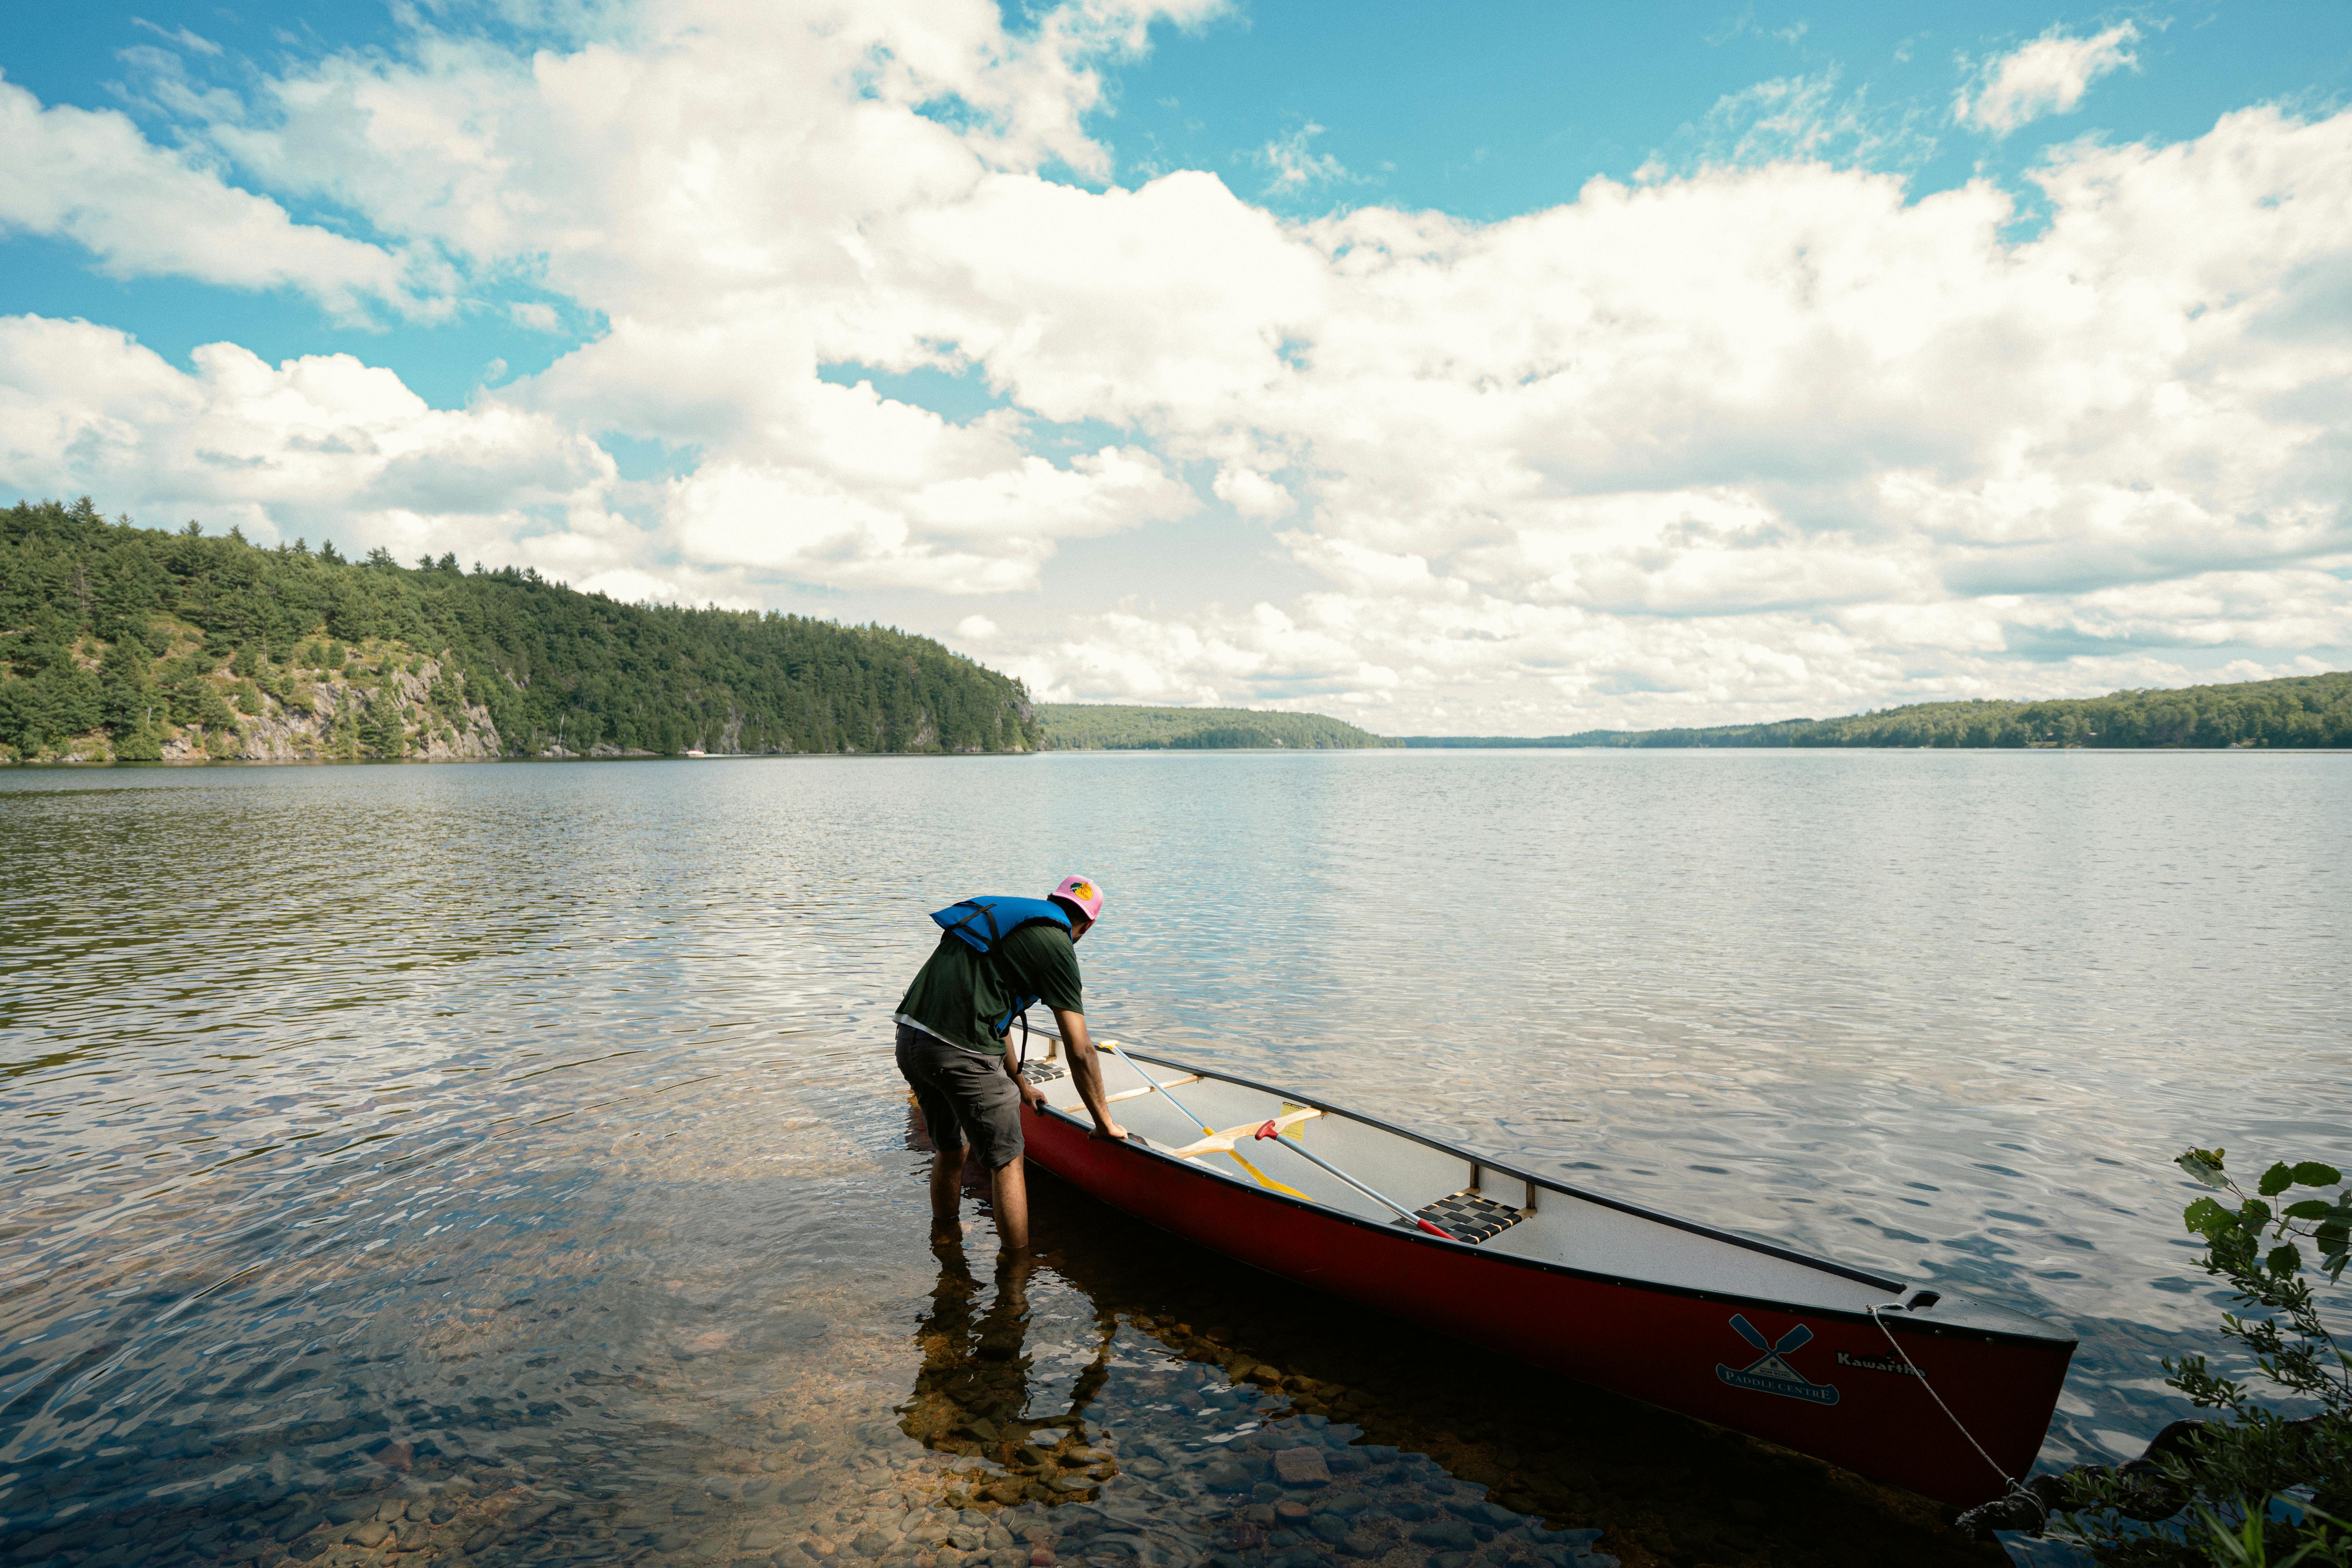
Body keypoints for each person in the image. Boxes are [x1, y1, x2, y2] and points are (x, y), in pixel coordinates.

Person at [895, 875, 1126, 1252]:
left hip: (911, 1038)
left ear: (1050, 900)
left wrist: (1020, 1084)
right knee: (1007, 1161)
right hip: (961, 1052)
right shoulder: (1058, 944)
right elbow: (1080, 1049)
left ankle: (945, 1239)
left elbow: (995, 1016)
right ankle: (1016, 1275)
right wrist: (1104, 1123)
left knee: (952, 1150)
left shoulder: (1007, 921)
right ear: (1088, 925)